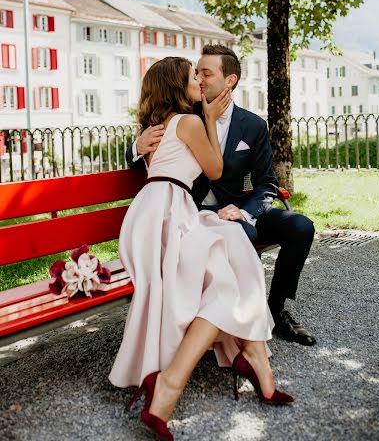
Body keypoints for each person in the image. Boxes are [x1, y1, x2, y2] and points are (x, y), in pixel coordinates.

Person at [109, 57, 293, 441]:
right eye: (194, 75)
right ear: (179, 84)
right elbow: (214, 169)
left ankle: (253, 366)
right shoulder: (190, 122)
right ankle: (196, 376)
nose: (199, 80)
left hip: (156, 214)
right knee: (230, 270)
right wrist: (209, 119)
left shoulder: (161, 123)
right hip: (170, 214)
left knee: (233, 244)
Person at [131, 45, 316, 347]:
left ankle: (275, 307)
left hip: (239, 210)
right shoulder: (183, 113)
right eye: (197, 73)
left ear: (229, 80)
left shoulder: (253, 125)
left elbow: (267, 183)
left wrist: (243, 211)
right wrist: (136, 146)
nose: (200, 79)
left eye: (206, 73)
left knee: (300, 226)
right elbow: (152, 156)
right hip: (191, 215)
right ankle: (232, 321)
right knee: (237, 233)